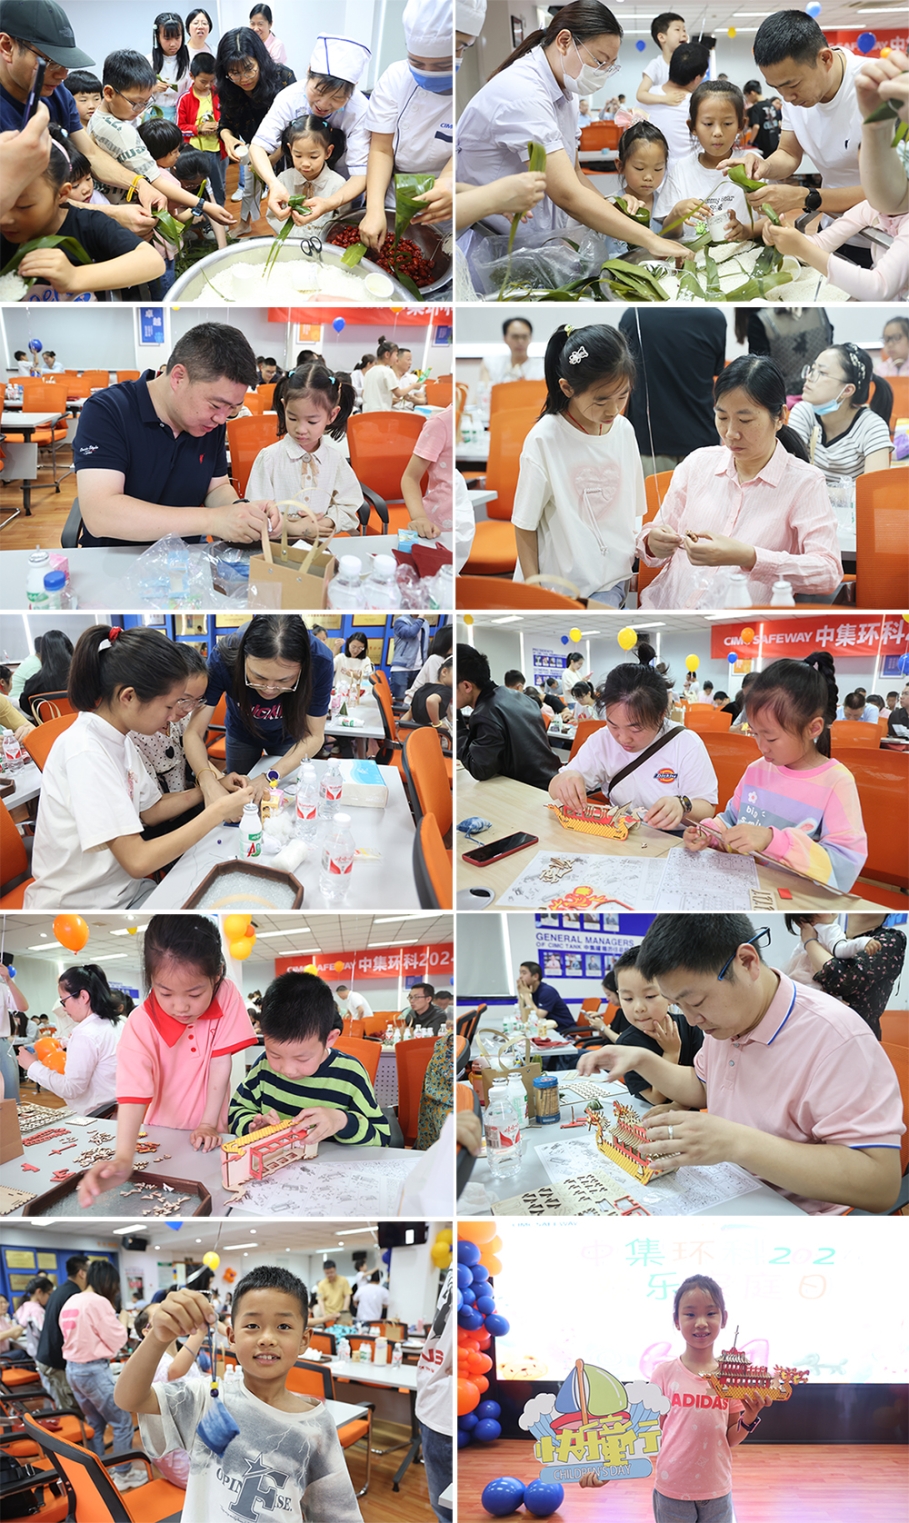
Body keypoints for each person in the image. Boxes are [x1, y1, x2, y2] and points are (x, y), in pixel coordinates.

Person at [578, 914, 904, 1214]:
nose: (691, 1019)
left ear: (747, 962)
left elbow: (881, 1184)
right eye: (678, 1005)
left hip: (789, 1213)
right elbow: (703, 1086)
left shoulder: (837, 1037)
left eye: (696, 1002)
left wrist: (737, 1143)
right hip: (725, 1187)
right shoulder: (727, 1021)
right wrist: (641, 1059)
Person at [24, 629, 253, 911]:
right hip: (82, 906)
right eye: (169, 705)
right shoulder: (85, 751)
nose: (173, 716)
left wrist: (213, 789)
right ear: (129, 697)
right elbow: (138, 861)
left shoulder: (117, 738)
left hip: (125, 891)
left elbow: (151, 810)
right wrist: (217, 810)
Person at [116, 1270, 362, 1519]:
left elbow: (337, 1515)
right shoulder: (206, 1399)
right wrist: (157, 1338)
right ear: (232, 1337)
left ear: (304, 1340)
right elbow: (129, 1399)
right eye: (252, 1326)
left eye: (284, 1326)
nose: (267, 1339)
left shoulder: (316, 1428)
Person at [457, 0, 691, 260]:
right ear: (564, 41)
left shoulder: (565, 91)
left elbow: (575, 172)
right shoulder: (523, 93)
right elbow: (567, 193)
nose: (602, 73)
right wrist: (650, 240)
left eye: (609, 66)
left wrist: (610, 206)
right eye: (599, 61)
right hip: (490, 246)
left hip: (531, 244)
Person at [77, 915, 257, 1206]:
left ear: (217, 976)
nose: (181, 1006)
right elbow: (133, 1093)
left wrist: (208, 1123)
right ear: (151, 980)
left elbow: (219, 1061)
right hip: (160, 1134)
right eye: (166, 992)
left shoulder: (226, 995)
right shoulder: (140, 1023)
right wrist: (124, 1157)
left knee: (216, 1198)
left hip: (211, 1133)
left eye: (195, 993)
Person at [638, 355, 841, 609]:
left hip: (740, 627)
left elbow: (828, 571)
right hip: (664, 613)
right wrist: (653, 543)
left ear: (780, 417)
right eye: (722, 418)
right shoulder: (698, 464)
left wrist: (749, 557)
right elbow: (653, 538)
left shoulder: (804, 483)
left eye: (745, 420)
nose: (731, 433)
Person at [73, 323, 280, 547]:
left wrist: (241, 513)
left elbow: (216, 487)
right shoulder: (108, 410)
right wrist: (212, 520)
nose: (222, 419)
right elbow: (100, 514)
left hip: (182, 559)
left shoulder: (210, 422)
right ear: (178, 377)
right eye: (215, 405)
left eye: (232, 408)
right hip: (112, 558)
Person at [584, 1276, 767, 1516]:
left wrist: (750, 1417)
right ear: (677, 1321)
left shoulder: (729, 1378)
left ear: (723, 1318)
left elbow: (730, 1438)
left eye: (710, 1313)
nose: (701, 1322)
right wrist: (611, 1467)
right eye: (690, 1314)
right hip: (672, 1492)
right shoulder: (664, 1374)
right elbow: (644, 1431)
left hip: (717, 1491)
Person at [685, 654, 867, 892]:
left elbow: (843, 867)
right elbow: (731, 820)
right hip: (744, 886)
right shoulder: (756, 770)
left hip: (796, 897)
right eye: (755, 733)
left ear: (813, 728)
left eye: (771, 738)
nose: (762, 747)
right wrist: (709, 833)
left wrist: (772, 841)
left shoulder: (836, 782)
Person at [512, 324, 644, 605]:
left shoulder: (624, 430)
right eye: (601, 400)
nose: (613, 410)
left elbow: (632, 512)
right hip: (562, 589)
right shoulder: (545, 439)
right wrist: (535, 592)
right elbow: (524, 525)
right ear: (567, 388)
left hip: (614, 581)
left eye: (622, 395)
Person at [720, 13, 865, 253]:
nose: (787, 98)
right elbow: (788, 152)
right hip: (837, 231)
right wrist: (765, 166)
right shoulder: (794, 97)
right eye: (776, 88)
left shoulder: (877, 87)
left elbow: (892, 192)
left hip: (891, 238)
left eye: (793, 85)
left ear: (825, 59)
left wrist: (804, 197)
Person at [549, 661, 718, 831]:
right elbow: (553, 788)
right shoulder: (603, 739)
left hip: (673, 837)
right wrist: (566, 780)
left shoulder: (686, 743)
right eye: (613, 725)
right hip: (622, 831)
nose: (623, 738)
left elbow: (707, 809)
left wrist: (682, 806)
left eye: (636, 729)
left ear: (660, 715)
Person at [229, 970, 391, 1145]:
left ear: (329, 1039)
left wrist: (342, 1121)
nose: (287, 1070)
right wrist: (252, 1128)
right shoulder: (263, 1065)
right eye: (275, 1055)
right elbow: (235, 1111)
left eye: (302, 1058)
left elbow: (381, 1137)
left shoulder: (351, 1074)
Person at [184, 616, 332, 800]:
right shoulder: (223, 657)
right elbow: (193, 732)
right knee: (240, 792)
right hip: (242, 732)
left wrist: (270, 776)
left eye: (284, 680)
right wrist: (208, 784)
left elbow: (315, 735)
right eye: (259, 677)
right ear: (242, 659)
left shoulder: (320, 661)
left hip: (289, 733)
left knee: (282, 797)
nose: (269, 689)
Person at [87, 48, 232, 235]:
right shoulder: (120, 131)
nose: (141, 109)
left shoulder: (97, 119)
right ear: (108, 93)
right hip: (128, 216)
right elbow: (156, 180)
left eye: (146, 102)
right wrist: (205, 206)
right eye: (136, 103)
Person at [0, 137, 165, 297]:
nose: (4, 219)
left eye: (23, 206)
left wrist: (75, 277)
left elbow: (152, 261)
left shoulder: (89, 224)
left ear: (61, 194)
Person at [358, 0, 455, 252]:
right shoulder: (396, 77)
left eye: (442, 66)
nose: (428, 73)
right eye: (417, 63)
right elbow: (381, 149)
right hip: (395, 188)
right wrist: (374, 209)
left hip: (447, 196)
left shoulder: (473, 87)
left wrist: (448, 181)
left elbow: (467, 149)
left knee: (435, 253)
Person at [250, 34, 372, 230]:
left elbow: (361, 175)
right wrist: (273, 184)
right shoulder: (289, 98)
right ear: (308, 72)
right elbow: (258, 147)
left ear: (353, 89)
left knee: (337, 231)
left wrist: (329, 203)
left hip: (344, 187)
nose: (323, 104)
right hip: (300, 179)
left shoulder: (360, 110)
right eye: (319, 92)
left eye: (337, 98)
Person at [246, 363, 360, 539]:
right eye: (292, 418)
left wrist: (326, 523)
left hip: (320, 546)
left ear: (332, 415)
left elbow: (349, 505)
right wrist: (293, 528)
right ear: (284, 407)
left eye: (312, 422)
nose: (301, 429)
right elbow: (255, 512)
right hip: (276, 547)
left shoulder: (335, 460)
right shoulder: (269, 458)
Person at [60, 1259, 140, 1492]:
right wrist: (123, 1319)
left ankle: (98, 1470)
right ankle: (123, 1474)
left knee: (95, 1423)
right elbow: (118, 1338)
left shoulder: (72, 1300)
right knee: (122, 1421)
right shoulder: (97, 1302)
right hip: (92, 1371)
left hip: (73, 1370)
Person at [619, 306, 725, 476]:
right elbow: (715, 373)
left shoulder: (635, 315)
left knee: (652, 494)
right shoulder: (713, 318)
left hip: (651, 442)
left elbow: (625, 374)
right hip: (700, 437)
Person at [214, 26, 294, 230]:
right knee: (250, 187)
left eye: (249, 69)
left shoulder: (282, 77)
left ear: (260, 60)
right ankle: (245, 223)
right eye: (234, 73)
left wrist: (272, 159)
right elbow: (225, 124)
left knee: (290, 191)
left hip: (288, 149)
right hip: (253, 148)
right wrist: (228, 138)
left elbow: (295, 129)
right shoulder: (228, 87)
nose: (243, 79)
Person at [655, 79, 753, 241]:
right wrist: (677, 213)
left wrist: (747, 231)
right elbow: (667, 234)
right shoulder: (681, 170)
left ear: (741, 125)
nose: (717, 132)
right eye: (708, 123)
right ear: (692, 127)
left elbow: (772, 220)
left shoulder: (750, 164)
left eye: (727, 123)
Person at [17, 964, 121, 1113]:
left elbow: (71, 1089)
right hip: (119, 1110)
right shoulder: (117, 1023)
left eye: (63, 1001)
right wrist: (70, 1043)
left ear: (83, 996)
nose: (64, 1008)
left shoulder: (85, 1033)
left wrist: (32, 1066)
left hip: (97, 1116)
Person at [456, 644, 561, 790]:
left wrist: (459, 730)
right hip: (553, 781)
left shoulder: (485, 713)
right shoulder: (523, 698)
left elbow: (480, 769)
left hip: (530, 791)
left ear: (467, 686)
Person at [789, 913, 907, 1041]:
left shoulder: (888, 939)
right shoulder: (833, 936)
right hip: (814, 1031)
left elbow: (843, 979)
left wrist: (810, 941)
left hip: (855, 1037)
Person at [610, 945, 703, 1104]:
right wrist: (671, 1053)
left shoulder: (690, 1025)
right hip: (648, 1114)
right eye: (628, 999)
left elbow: (703, 1079)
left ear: (670, 994)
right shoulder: (627, 1044)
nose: (639, 1008)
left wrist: (681, 1106)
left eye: (650, 996)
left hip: (691, 1110)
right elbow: (656, 1098)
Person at [787, 346, 893, 484]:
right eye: (812, 369)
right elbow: (789, 476)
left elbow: (874, 489)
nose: (809, 377)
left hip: (855, 500)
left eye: (822, 373)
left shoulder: (872, 427)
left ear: (847, 390)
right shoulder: (803, 412)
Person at [131, 1303, 207, 1489]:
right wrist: (199, 1331)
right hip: (182, 1457)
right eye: (162, 1315)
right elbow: (175, 1372)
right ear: (147, 1331)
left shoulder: (177, 1354)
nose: (171, 1318)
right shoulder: (155, 1361)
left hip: (192, 1441)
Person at [265, 115, 346, 237]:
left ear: (328, 152)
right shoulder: (283, 179)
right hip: (289, 243)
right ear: (290, 149)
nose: (305, 164)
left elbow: (342, 223)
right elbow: (273, 216)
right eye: (298, 155)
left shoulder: (338, 185)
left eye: (313, 157)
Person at [416, 1267, 452, 1523]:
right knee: (445, 1510)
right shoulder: (458, 1264)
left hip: (441, 1402)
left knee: (447, 1512)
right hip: (436, 1401)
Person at [35, 1256, 87, 1412]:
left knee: (63, 1403)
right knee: (70, 1409)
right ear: (82, 1273)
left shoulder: (61, 1290)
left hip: (48, 1356)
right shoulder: (74, 1295)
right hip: (56, 1361)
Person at [647, 42, 709, 171]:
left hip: (652, 176)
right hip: (689, 175)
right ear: (697, 78)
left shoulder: (647, 96)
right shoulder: (699, 104)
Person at [401, 404, 454, 539]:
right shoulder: (440, 424)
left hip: (466, 522)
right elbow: (410, 478)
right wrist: (419, 518)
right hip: (438, 527)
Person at [610, 121, 669, 234]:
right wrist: (616, 208)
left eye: (658, 169)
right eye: (639, 168)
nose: (648, 177)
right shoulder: (611, 203)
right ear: (620, 166)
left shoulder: (666, 205)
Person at [636, 11, 688, 107]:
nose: (684, 34)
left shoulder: (688, 63)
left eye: (684, 30)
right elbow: (641, 94)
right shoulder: (656, 65)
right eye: (677, 30)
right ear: (661, 37)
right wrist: (665, 99)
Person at [20, 628, 73, 717]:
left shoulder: (34, 682)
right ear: (70, 649)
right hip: (82, 723)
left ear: (43, 653)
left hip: (49, 725)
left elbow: (25, 705)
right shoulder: (84, 676)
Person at [479, 317, 545, 388]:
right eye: (515, 337)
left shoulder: (542, 367)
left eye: (524, 337)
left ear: (530, 338)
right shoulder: (491, 364)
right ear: (505, 338)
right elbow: (483, 391)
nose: (520, 342)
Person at [148, 13, 189, 122]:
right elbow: (137, 93)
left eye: (177, 37)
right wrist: (152, 88)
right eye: (167, 38)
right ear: (158, 37)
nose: (173, 44)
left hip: (180, 116)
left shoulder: (188, 63)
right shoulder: (148, 61)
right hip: (153, 115)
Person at [361, 335, 420, 411]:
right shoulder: (387, 371)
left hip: (367, 412)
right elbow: (399, 393)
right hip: (380, 413)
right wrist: (413, 386)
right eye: (396, 355)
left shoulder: (369, 372)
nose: (397, 358)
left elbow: (364, 393)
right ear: (387, 355)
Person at [405, 622, 453, 705]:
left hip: (427, 705)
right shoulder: (435, 659)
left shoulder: (446, 661)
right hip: (415, 707)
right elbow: (436, 691)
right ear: (446, 643)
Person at [517, 961, 573, 1031]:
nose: (520, 976)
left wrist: (526, 995)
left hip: (564, 1030)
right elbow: (523, 1015)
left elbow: (537, 1017)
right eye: (520, 973)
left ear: (535, 976)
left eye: (524, 973)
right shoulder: (529, 991)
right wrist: (521, 994)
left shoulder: (547, 991)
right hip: (546, 1029)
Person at [389, 614, 429, 702]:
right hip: (401, 668)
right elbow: (410, 633)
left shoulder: (425, 623)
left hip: (419, 668)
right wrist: (420, 619)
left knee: (413, 702)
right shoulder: (401, 621)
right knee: (400, 702)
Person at [15, 1278, 53, 1360]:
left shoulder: (23, 1306)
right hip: (42, 1353)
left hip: (32, 1350)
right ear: (39, 1292)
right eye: (49, 1294)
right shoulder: (37, 1310)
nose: (50, 1298)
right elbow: (45, 1333)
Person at [409, 656, 452, 728]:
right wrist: (437, 724)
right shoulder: (446, 690)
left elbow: (410, 713)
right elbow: (431, 700)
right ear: (444, 672)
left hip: (416, 730)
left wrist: (397, 728)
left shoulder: (422, 689)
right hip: (433, 731)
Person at [743, 78, 781, 156]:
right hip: (775, 144)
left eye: (747, 96)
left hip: (763, 146)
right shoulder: (771, 105)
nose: (747, 99)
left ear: (752, 93)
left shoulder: (755, 108)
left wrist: (750, 142)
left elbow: (756, 127)